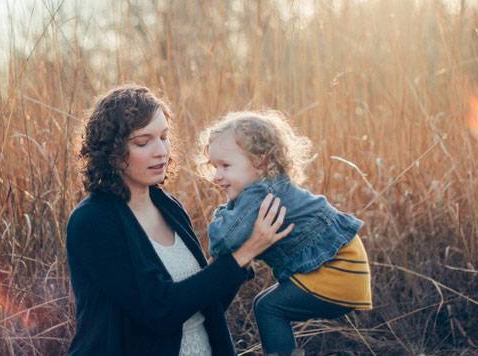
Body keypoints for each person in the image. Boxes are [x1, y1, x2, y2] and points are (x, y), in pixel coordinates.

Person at [65, 85, 294, 356]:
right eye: (143, 142)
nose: (160, 151)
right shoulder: (93, 221)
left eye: (164, 137)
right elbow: (159, 311)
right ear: (111, 151)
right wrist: (244, 253)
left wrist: (245, 245)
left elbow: (206, 304)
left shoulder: (168, 205)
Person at [200, 110, 373, 356]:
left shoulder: (257, 194)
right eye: (213, 166)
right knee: (263, 304)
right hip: (346, 268)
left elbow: (221, 241)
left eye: (225, 166)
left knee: (270, 309)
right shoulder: (271, 186)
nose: (217, 176)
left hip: (336, 271)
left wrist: (223, 212)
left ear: (259, 163)